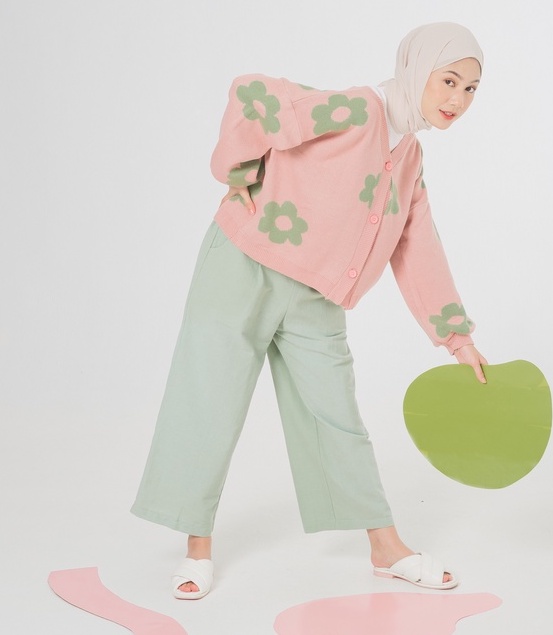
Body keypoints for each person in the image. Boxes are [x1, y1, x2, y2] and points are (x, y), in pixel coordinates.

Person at [131, 22, 488, 600]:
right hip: (244, 263)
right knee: (210, 399)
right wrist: (237, 171)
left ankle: (385, 547)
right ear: (417, 69)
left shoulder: (410, 156)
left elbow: (418, 246)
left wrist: (457, 337)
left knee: (336, 416)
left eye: (471, 88)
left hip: (315, 294)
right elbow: (253, 92)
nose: (458, 99)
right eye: (449, 81)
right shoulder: (358, 109)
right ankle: (197, 547)